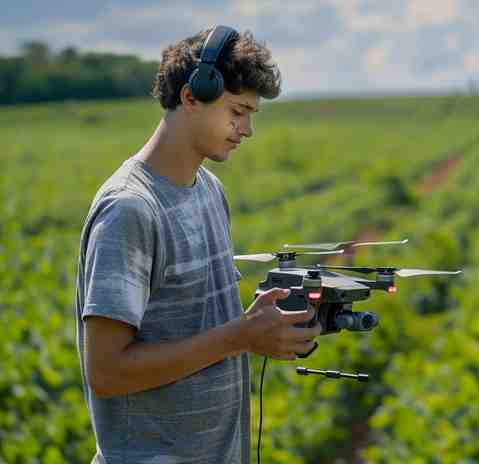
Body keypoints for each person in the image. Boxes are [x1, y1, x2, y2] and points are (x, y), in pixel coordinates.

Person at [73, 25, 322, 463]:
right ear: (190, 97)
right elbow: (107, 372)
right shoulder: (131, 209)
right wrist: (237, 337)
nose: (246, 129)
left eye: (252, 115)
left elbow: (200, 330)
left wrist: (256, 325)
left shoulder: (209, 190)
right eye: (238, 111)